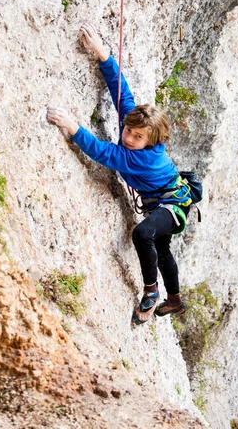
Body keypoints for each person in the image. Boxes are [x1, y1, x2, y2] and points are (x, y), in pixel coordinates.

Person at [47, 22, 192, 323]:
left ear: (152, 140)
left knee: (143, 233)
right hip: (166, 201)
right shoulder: (139, 133)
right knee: (161, 248)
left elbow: (103, 153)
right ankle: (175, 300)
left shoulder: (143, 159)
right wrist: (103, 55)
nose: (128, 137)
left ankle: (151, 292)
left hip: (172, 204)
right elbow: (121, 92)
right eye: (128, 130)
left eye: (137, 137)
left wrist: (72, 127)